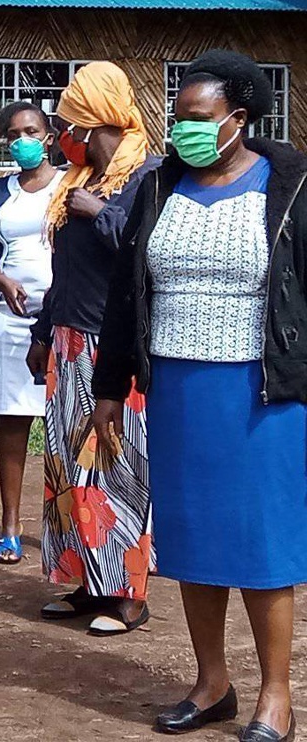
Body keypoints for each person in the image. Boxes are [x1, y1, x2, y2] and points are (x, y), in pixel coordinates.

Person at [93, 50, 303, 741]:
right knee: (194, 541)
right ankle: (212, 682)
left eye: (198, 117)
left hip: (259, 395)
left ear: (238, 119)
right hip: (177, 392)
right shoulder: (160, 187)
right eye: (177, 116)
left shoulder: (291, 186)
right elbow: (129, 292)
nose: (182, 127)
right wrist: (109, 385)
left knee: (262, 544)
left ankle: (277, 696)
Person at [25, 61, 160, 637]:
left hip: (117, 345)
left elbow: (148, 254)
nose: (62, 135)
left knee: (115, 462)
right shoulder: (76, 181)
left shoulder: (149, 177)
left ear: (94, 120)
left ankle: (127, 593)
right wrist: (41, 334)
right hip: (68, 339)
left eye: (68, 123)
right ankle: (86, 579)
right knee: (66, 462)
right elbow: (66, 267)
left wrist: (101, 214)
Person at [0, 101, 63, 565]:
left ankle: (64, 525)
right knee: (11, 418)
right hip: (7, 319)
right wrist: (4, 284)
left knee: (66, 424)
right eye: (14, 134)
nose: (23, 140)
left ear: (48, 137)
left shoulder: (72, 186)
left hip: (66, 319)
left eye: (31, 131)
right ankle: (10, 523)